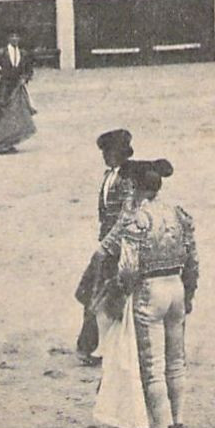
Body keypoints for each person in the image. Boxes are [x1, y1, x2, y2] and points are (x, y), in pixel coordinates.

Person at [88, 165, 198, 428]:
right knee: (176, 358)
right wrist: (190, 294)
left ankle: (160, 426)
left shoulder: (139, 218)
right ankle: (178, 419)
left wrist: (120, 293)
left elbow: (127, 267)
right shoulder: (178, 213)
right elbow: (193, 260)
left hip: (150, 291)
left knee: (151, 363)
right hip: (177, 288)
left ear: (137, 188)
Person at [74, 129, 143, 365]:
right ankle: (91, 345)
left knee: (105, 295)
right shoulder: (111, 175)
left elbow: (126, 217)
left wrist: (107, 245)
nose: (104, 156)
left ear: (119, 153)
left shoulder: (127, 180)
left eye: (108, 152)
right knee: (96, 292)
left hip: (118, 246)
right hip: (108, 242)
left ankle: (98, 347)